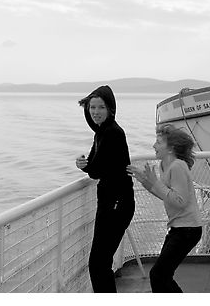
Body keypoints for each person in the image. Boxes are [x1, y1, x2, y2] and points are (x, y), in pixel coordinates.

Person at [127, 124, 202, 293]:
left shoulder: (178, 166)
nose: (154, 145)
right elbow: (165, 195)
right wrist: (145, 181)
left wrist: (155, 183)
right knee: (163, 275)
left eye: (159, 142)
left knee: (159, 275)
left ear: (171, 148)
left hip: (188, 230)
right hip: (178, 229)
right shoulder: (164, 166)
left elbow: (180, 201)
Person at [75, 85, 135, 293]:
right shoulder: (102, 132)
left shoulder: (112, 133)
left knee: (98, 264)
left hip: (117, 204)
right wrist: (85, 164)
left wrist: (86, 166)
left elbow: (95, 169)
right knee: (100, 263)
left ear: (111, 109)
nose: (95, 112)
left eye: (101, 107)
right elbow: (93, 163)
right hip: (113, 203)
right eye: (92, 107)